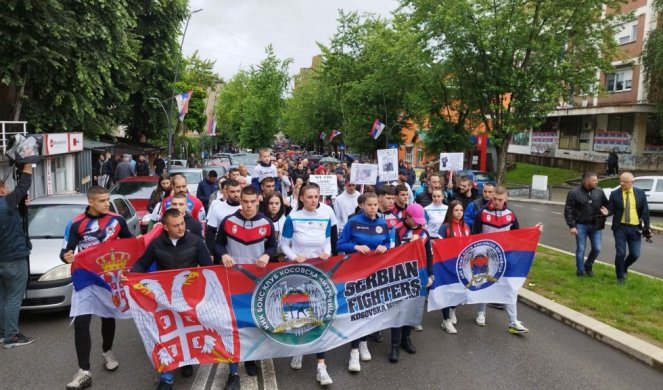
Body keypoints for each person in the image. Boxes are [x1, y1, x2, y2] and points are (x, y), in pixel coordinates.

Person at [60, 186, 135, 390]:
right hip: (85, 278)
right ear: (90, 202)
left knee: (108, 316)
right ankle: (84, 371)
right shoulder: (75, 224)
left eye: (108, 199)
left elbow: (132, 244)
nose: (107, 204)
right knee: (81, 322)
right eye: (102, 200)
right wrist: (67, 256)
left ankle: (107, 351)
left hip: (108, 279)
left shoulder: (117, 220)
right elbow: (65, 251)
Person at [130, 208, 212, 390]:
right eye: (176, 226)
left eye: (182, 223)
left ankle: (186, 361)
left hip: (188, 298)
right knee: (165, 335)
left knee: (188, 332)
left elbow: (208, 268)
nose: (181, 228)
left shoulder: (197, 242)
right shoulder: (156, 244)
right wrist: (130, 276)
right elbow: (142, 264)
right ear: (166, 227)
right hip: (163, 299)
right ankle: (166, 379)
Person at [215, 186, 277, 390]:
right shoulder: (228, 221)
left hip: (256, 283)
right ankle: (232, 372)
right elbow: (217, 244)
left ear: (258, 201)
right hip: (233, 281)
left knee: (252, 325)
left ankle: (251, 359)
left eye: (252, 202)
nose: (248, 205)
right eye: (245, 201)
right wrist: (223, 253)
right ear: (239, 200)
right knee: (232, 326)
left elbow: (272, 246)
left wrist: (268, 254)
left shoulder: (266, 223)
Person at [280, 185, 334, 385]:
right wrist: (295, 257)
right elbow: (284, 244)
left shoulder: (326, 215)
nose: (313, 200)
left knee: (320, 315)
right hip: (299, 272)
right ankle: (299, 350)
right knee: (300, 314)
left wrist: (327, 252)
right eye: (309, 197)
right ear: (301, 198)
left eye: (316, 197)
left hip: (319, 271)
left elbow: (328, 241)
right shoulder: (291, 218)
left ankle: (322, 366)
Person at [337, 192, 390, 372]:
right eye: (369, 205)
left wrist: (385, 247)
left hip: (375, 273)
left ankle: (364, 342)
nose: (373, 208)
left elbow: (388, 243)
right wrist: (355, 247)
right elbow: (340, 244)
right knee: (357, 309)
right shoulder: (353, 222)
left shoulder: (383, 223)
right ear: (362, 206)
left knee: (369, 308)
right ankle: (353, 352)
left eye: (375, 205)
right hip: (356, 272)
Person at [472, 186, 536, 334]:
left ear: (506, 199)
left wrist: (534, 231)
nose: (496, 201)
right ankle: (481, 313)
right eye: (494, 198)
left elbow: (517, 235)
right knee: (484, 284)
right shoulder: (481, 213)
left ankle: (513, 321)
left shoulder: (510, 214)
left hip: (505, 257)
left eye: (500, 199)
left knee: (511, 287)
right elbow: (474, 235)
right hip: (485, 257)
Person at [389, 203, 433, 363]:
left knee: (412, 308)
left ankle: (405, 339)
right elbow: (393, 254)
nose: (417, 223)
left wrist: (430, 274)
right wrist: (410, 244)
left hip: (418, 275)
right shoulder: (398, 230)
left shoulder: (424, 232)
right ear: (406, 216)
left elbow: (429, 255)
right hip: (400, 276)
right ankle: (394, 344)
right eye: (415, 220)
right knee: (399, 309)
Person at [0, 163, 35, 349]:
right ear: (1, 188)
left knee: (2, 296)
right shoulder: (6, 202)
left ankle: (3, 332)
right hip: (13, 258)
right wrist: (27, 165)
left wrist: (22, 207)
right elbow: (23, 186)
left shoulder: (9, 204)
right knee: (14, 297)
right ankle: (11, 337)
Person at [607, 172, 652, 284]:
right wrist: (606, 212)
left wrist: (647, 227)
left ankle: (624, 267)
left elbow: (645, 212)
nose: (622, 183)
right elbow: (610, 209)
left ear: (631, 182)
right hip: (620, 228)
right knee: (620, 253)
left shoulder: (640, 194)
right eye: (620, 181)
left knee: (635, 254)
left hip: (635, 229)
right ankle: (620, 277)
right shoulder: (615, 193)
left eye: (625, 182)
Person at [563, 172, 609, 277]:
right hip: (580, 225)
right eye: (594, 180)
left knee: (597, 248)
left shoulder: (599, 191)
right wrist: (572, 226)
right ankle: (580, 271)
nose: (597, 182)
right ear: (586, 181)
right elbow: (568, 211)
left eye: (597, 180)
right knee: (581, 248)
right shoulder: (573, 193)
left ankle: (588, 265)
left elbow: (607, 204)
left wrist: (607, 211)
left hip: (596, 225)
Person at [437, 200, 471, 334]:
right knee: (447, 293)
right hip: (447, 265)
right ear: (451, 212)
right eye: (456, 210)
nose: (459, 213)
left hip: (463, 265)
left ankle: (452, 309)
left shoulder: (466, 227)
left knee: (461, 292)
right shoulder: (445, 227)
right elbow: (438, 246)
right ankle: (446, 320)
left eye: (461, 210)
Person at [205, 179, 241, 255]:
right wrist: (210, 253)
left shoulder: (245, 207)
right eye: (232, 192)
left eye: (238, 191)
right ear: (226, 192)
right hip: (222, 251)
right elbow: (211, 232)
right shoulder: (217, 207)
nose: (236, 194)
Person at [260, 192, 287, 262]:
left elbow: (287, 242)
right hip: (262, 257)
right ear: (266, 204)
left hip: (280, 258)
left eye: (277, 203)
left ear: (281, 205)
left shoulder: (285, 220)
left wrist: (283, 254)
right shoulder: (261, 220)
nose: (274, 206)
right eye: (271, 203)